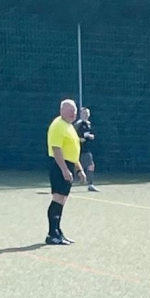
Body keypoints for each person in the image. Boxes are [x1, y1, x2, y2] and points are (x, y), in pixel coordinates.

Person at [45, 98, 86, 245]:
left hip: (68, 165)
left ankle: (58, 232)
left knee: (62, 200)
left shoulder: (69, 126)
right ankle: (52, 234)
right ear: (61, 110)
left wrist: (79, 169)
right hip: (59, 165)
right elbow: (56, 149)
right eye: (69, 110)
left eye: (74, 111)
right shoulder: (58, 125)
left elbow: (72, 151)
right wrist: (64, 170)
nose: (72, 113)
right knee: (57, 198)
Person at [73, 106, 99, 191]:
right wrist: (79, 139)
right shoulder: (78, 124)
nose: (86, 115)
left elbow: (90, 134)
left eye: (87, 113)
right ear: (80, 114)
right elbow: (72, 135)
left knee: (91, 166)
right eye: (84, 113)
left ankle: (90, 184)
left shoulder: (88, 124)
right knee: (75, 166)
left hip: (86, 149)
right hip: (78, 149)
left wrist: (91, 136)